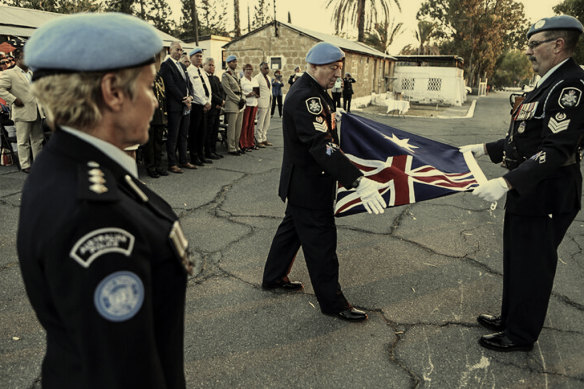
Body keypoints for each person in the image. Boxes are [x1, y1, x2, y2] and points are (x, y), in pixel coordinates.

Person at [17, 13, 191, 388]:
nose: (155, 103)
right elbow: (123, 373)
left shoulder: (70, 162)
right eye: (148, 87)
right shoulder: (94, 215)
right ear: (112, 92)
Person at [461, 15, 584, 352]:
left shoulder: (570, 86)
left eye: (534, 44)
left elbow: (556, 150)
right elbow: (524, 140)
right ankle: (510, 318)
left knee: (533, 265)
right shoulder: (547, 83)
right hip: (529, 190)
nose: (528, 51)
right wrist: (484, 149)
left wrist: (506, 183)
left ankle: (521, 334)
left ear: (558, 45)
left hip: (547, 192)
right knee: (517, 258)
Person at [262, 42, 386, 322]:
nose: (337, 75)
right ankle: (333, 303)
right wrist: (357, 180)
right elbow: (321, 145)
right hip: (309, 185)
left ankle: (273, 277)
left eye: (339, 69)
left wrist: (333, 119)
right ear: (315, 66)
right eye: (333, 69)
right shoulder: (308, 97)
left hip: (300, 182)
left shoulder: (315, 92)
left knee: (290, 231)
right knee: (322, 246)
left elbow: (319, 128)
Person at [0, 47, 45, 173]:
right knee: (23, 140)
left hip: (36, 110)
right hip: (21, 110)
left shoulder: (31, 73)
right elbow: (1, 89)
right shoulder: (10, 73)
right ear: (17, 59)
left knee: (38, 139)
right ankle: (25, 165)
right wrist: (13, 99)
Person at [160, 41, 194, 173]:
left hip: (186, 105)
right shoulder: (166, 65)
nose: (180, 53)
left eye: (181, 50)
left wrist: (190, 96)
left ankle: (184, 160)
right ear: (170, 50)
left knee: (183, 135)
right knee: (173, 135)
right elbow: (170, 85)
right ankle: (172, 163)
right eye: (177, 50)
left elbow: (188, 84)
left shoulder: (182, 66)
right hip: (175, 106)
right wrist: (183, 99)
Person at [142, 50, 169, 178]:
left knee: (158, 142)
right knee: (150, 144)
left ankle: (158, 165)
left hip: (160, 115)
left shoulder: (158, 77)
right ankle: (150, 167)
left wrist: (165, 114)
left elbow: (163, 97)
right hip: (148, 115)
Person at [186, 47, 213, 165]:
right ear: (191, 58)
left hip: (206, 105)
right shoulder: (189, 71)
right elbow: (194, 90)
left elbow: (208, 88)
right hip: (197, 105)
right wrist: (204, 102)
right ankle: (194, 156)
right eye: (197, 56)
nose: (199, 58)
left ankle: (201, 155)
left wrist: (209, 101)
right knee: (194, 133)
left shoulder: (202, 71)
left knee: (203, 132)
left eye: (201, 56)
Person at [222, 55, 245, 156]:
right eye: (233, 62)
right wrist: (238, 100)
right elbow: (228, 90)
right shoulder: (225, 75)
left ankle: (237, 146)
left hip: (239, 102)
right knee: (231, 128)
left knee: (238, 127)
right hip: (232, 102)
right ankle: (231, 147)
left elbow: (240, 88)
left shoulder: (237, 74)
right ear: (228, 63)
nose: (235, 63)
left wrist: (243, 99)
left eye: (236, 61)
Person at [203, 57, 225, 159]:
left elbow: (221, 91)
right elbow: (209, 93)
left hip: (218, 108)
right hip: (210, 108)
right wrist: (219, 101)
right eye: (209, 65)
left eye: (213, 65)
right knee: (209, 131)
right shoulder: (204, 78)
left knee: (215, 130)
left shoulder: (216, 78)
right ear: (204, 66)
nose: (212, 67)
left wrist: (222, 101)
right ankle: (208, 151)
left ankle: (213, 150)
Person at [239, 63, 259, 151]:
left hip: (254, 103)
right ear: (244, 71)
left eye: (250, 70)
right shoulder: (242, 80)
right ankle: (244, 144)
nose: (249, 71)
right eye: (247, 69)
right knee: (245, 124)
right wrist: (248, 94)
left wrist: (257, 94)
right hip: (246, 104)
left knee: (251, 125)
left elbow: (258, 91)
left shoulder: (254, 80)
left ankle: (251, 143)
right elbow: (241, 93)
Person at [254, 61, 272, 148]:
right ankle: (259, 139)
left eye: (268, 68)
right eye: (265, 68)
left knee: (267, 122)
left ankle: (264, 138)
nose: (267, 70)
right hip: (261, 102)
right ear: (260, 68)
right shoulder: (257, 78)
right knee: (260, 122)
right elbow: (255, 90)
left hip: (268, 102)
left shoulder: (268, 77)